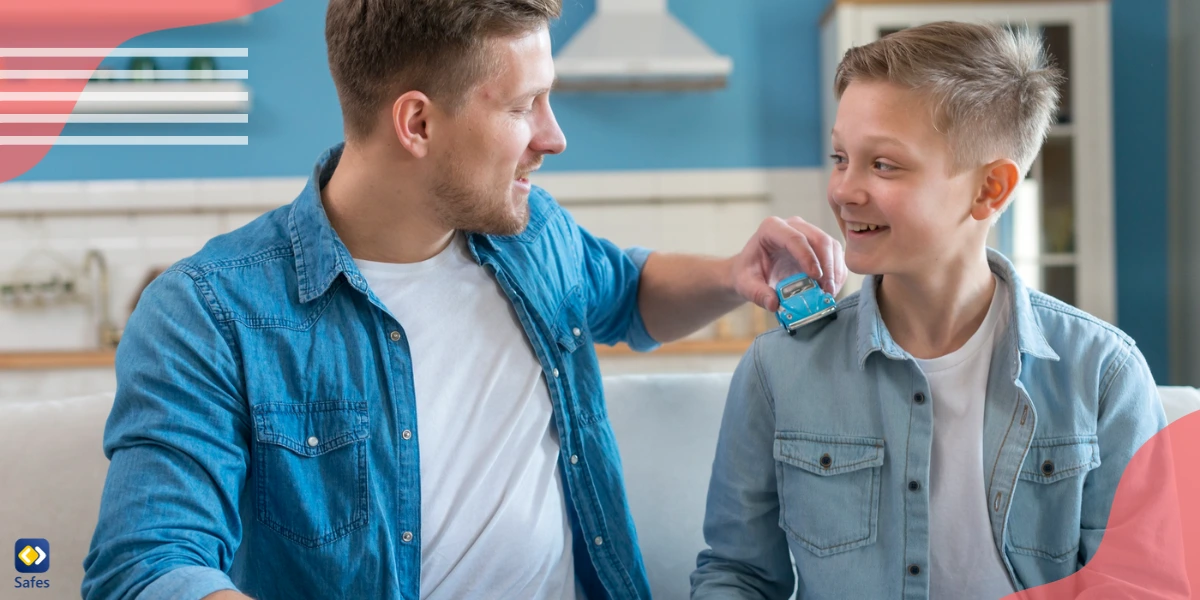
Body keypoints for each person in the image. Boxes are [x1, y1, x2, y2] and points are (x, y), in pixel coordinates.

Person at [80, 1, 847, 599]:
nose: (554, 138)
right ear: (416, 122)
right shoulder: (208, 315)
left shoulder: (530, 232)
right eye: (524, 107)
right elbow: (147, 567)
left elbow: (625, 290)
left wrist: (731, 271)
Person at [691, 21, 1185, 599]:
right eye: (840, 157)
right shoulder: (778, 369)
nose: (844, 190)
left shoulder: (1104, 373)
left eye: (884, 165)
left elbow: (1138, 584)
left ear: (990, 190)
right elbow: (738, 574)